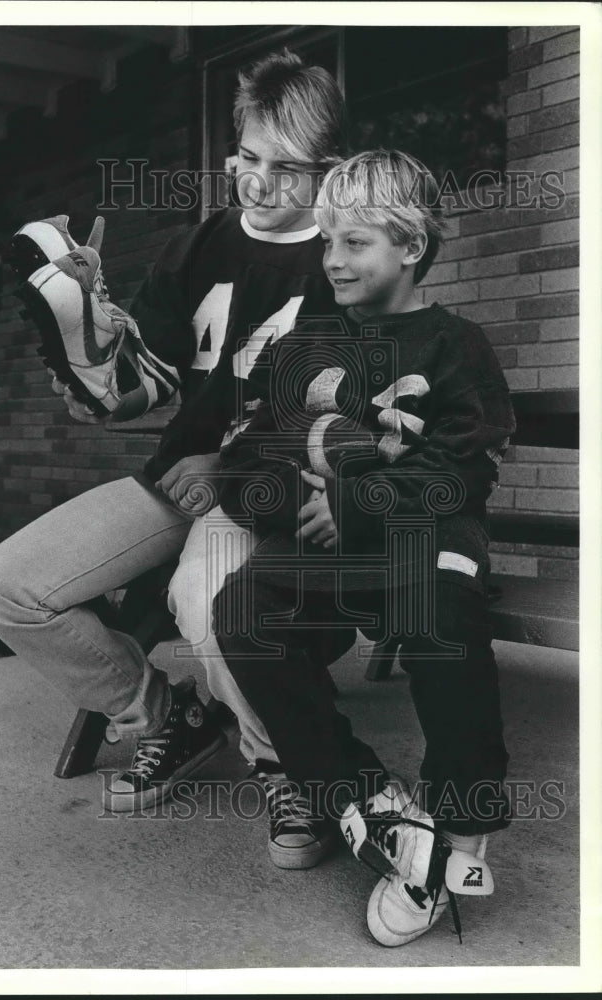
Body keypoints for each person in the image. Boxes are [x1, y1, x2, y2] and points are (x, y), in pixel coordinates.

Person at [0, 50, 344, 818]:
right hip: (178, 480)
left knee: (210, 606)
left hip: (266, 488)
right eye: (245, 157)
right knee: (5, 589)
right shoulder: (197, 244)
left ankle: (285, 764)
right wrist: (96, 379)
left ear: (328, 170)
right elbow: (157, 379)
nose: (258, 182)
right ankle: (165, 714)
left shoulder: (345, 257)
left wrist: (227, 461)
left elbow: (332, 409)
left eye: (285, 166)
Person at [211, 150, 515, 945]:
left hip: (424, 537)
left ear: (410, 247)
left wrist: (356, 501)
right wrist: (304, 500)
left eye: (355, 244)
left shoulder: (457, 345)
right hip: (326, 539)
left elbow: (461, 474)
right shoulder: (304, 344)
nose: (332, 261)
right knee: (241, 607)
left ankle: (458, 829)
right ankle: (360, 798)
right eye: (327, 243)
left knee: (443, 612)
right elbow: (243, 463)